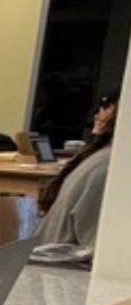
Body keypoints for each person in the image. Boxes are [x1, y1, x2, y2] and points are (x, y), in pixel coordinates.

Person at [35, 95, 116, 254]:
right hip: (56, 267)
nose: (98, 115)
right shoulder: (109, 167)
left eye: (105, 108)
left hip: (49, 254)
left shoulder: (102, 156)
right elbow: (97, 251)